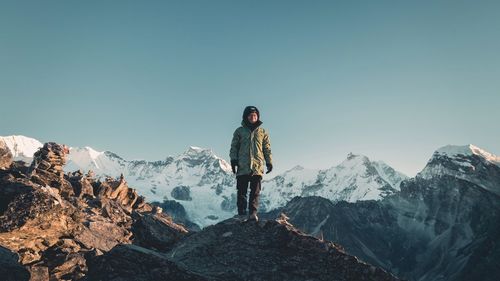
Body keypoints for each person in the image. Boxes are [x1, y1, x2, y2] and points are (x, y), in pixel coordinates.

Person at [229, 105, 273, 222]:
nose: (253, 117)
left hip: (257, 167)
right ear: (246, 117)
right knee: (242, 192)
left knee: (255, 192)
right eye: (250, 115)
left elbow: (266, 148)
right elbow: (234, 147)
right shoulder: (239, 131)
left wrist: (269, 162)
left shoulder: (263, 132)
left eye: (255, 115)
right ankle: (242, 214)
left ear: (257, 116)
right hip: (243, 166)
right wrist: (233, 160)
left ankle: (253, 214)